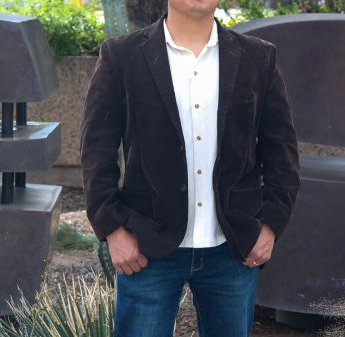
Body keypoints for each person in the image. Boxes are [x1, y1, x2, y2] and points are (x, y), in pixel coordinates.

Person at [80, 0, 300, 336]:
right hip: (145, 245)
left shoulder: (259, 57)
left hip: (232, 249)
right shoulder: (121, 56)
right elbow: (96, 153)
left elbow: (282, 152)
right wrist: (113, 230)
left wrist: (270, 226)